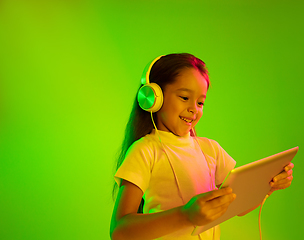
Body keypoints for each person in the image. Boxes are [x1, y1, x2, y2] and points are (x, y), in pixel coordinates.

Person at [110, 53, 294, 240]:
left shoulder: (210, 150)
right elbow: (120, 232)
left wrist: (267, 186)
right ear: (153, 97)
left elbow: (237, 204)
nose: (194, 109)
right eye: (184, 97)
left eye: (200, 102)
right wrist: (186, 215)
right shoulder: (145, 151)